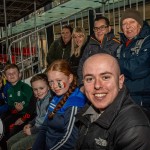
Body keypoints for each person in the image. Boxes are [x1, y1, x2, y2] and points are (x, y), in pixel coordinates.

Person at [75, 53, 150, 150]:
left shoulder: (134, 127)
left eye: (105, 77)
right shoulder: (87, 113)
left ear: (120, 81)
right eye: (90, 79)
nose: (97, 85)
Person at [32, 59, 87, 150]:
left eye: (59, 80)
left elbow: (70, 141)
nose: (54, 86)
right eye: (51, 82)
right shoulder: (57, 96)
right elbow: (45, 126)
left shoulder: (75, 103)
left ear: (70, 78)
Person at [7, 73, 52, 150]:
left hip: (43, 132)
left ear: (48, 87)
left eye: (41, 88)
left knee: (15, 147)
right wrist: (30, 124)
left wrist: (31, 130)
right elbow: (38, 116)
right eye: (35, 89)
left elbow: (45, 122)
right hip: (35, 127)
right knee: (9, 142)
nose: (38, 92)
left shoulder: (49, 101)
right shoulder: (39, 99)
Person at [116, 9, 150, 108]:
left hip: (143, 99)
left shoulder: (147, 42)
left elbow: (137, 69)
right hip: (123, 97)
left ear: (139, 24)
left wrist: (115, 62)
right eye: (124, 23)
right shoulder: (121, 47)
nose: (128, 26)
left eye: (132, 22)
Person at [77, 16, 120, 85]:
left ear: (109, 29)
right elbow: (81, 66)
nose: (99, 31)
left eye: (102, 27)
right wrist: (82, 85)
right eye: (96, 28)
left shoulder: (117, 45)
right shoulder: (90, 45)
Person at [0, 64, 34, 149]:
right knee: (3, 125)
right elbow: (11, 108)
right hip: (16, 114)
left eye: (14, 73)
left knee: (13, 130)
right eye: (9, 74)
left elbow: (32, 106)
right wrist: (16, 109)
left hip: (28, 115)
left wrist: (23, 115)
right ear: (6, 77)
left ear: (19, 74)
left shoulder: (25, 87)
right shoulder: (9, 90)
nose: (11, 75)